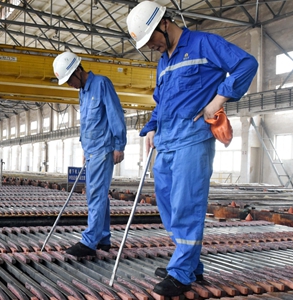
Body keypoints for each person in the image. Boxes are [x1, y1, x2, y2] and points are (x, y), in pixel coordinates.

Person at [126, 1, 258, 297]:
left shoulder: (204, 43)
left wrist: (219, 99)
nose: (151, 47)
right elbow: (163, 101)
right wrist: (151, 128)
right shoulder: (164, 61)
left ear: (164, 24)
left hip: (192, 139)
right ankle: (189, 261)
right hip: (167, 141)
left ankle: (182, 272)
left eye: (151, 40)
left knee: (187, 204)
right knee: (167, 204)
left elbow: (247, 64)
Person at [52, 51, 127, 258]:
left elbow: (115, 114)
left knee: (95, 194)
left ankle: (89, 241)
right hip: (92, 150)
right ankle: (103, 238)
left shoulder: (101, 84)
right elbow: (86, 124)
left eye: (69, 80)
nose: (69, 85)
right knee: (99, 194)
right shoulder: (83, 91)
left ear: (78, 70)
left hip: (104, 149)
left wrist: (119, 145)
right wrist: (85, 150)